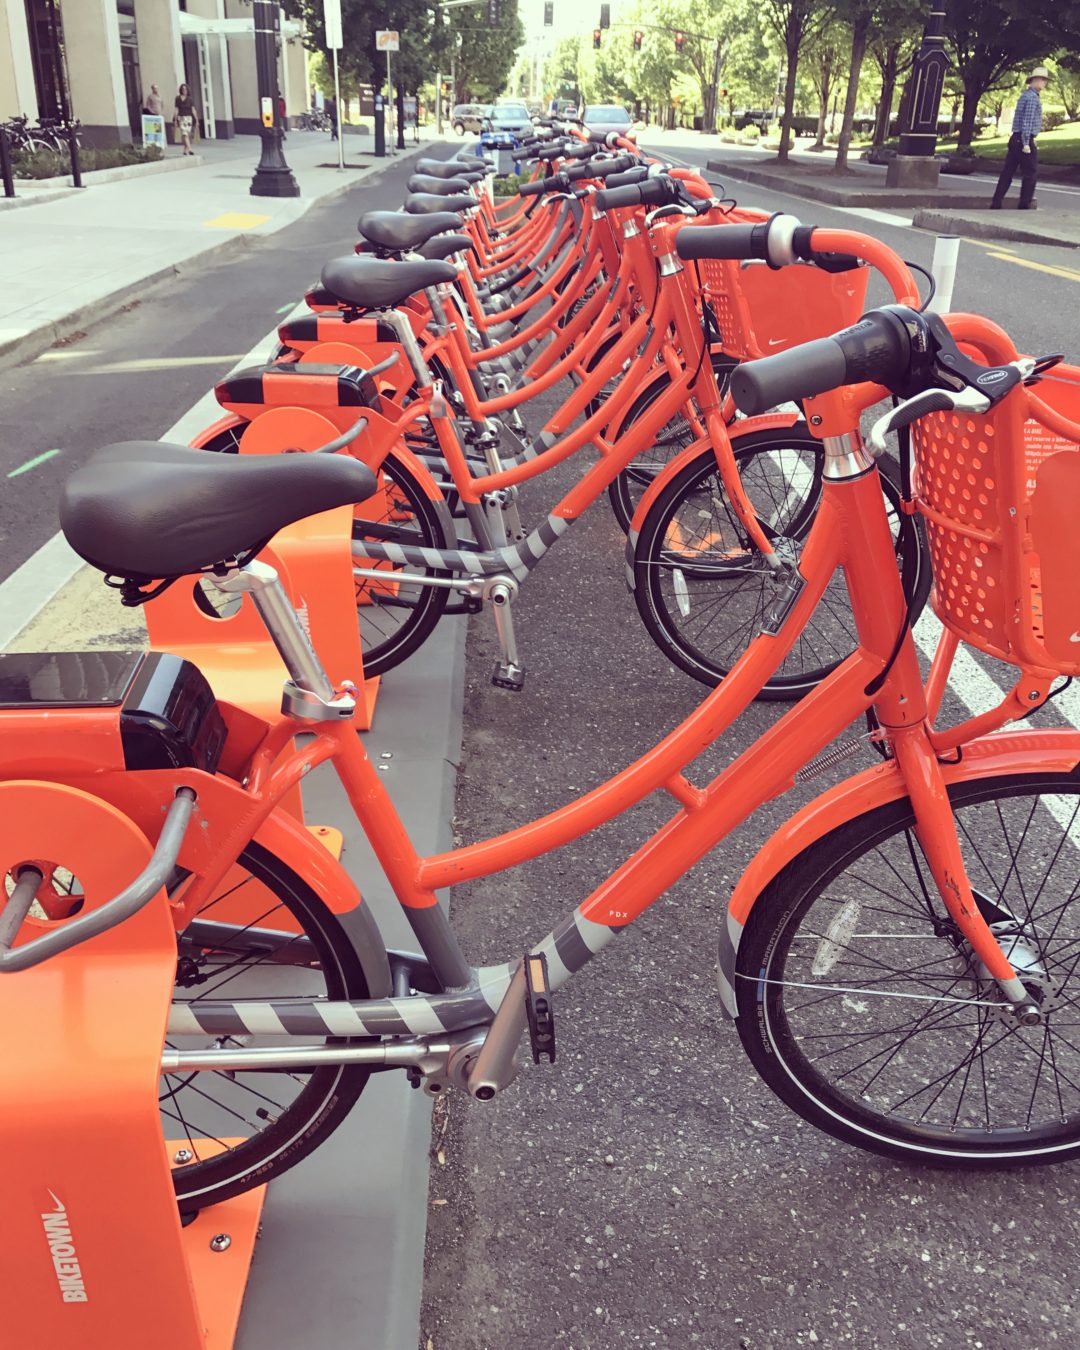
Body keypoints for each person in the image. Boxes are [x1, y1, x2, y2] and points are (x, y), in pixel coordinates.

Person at [991, 66, 1049, 211]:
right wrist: (1026, 143)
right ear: (1034, 80)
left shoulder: (1025, 96)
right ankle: (1024, 204)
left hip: (1015, 138)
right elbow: (1027, 121)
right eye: (1042, 79)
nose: (1044, 83)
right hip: (1024, 139)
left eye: (1045, 80)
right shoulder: (1032, 98)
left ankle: (996, 202)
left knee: (1008, 171)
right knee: (1030, 172)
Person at [173, 83, 199, 155]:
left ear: (187, 90)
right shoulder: (177, 98)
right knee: (184, 134)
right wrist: (175, 119)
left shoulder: (190, 99)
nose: (184, 90)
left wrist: (196, 120)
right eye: (183, 89)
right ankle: (190, 149)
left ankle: (185, 150)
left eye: (185, 89)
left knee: (187, 134)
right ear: (181, 90)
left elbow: (193, 109)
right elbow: (176, 109)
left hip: (188, 118)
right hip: (181, 118)